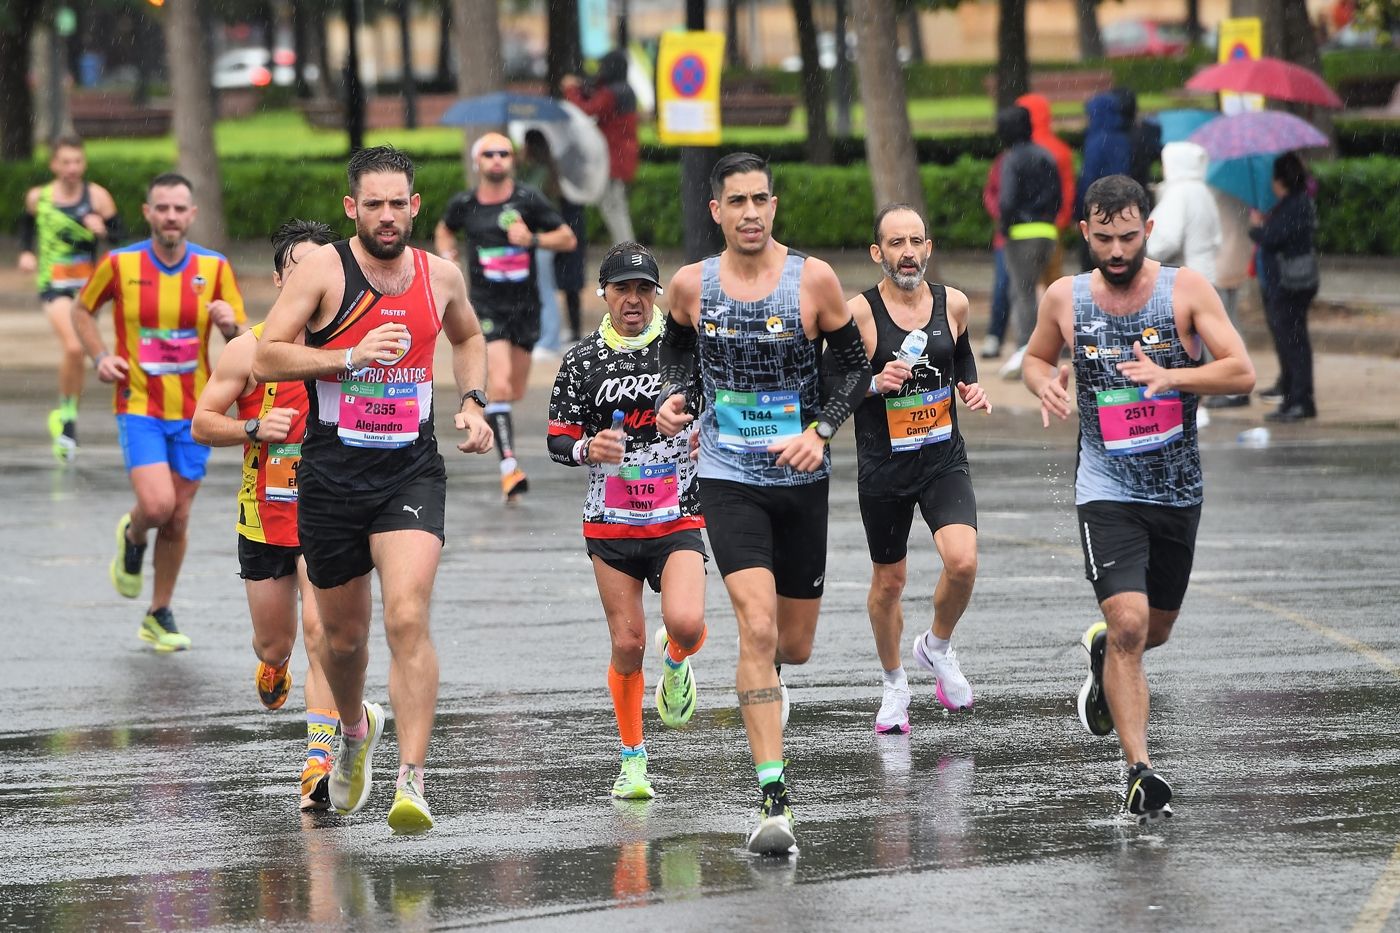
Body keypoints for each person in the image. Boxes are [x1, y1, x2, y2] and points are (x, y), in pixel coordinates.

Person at [253, 145, 495, 835]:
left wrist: (473, 401)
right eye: (375, 204)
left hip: (409, 470)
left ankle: (412, 779)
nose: (388, 216)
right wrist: (346, 356)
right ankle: (357, 729)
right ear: (351, 207)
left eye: (400, 203)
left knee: (407, 615)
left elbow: (469, 334)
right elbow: (269, 352)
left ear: (416, 206)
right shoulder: (324, 269)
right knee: (342, 637)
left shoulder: (439, 275)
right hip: (330, 473)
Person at [655, 152, 872, 854]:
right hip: (727, 474)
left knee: (792, 646)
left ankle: (765, 684)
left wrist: (822, 430)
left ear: (774, 206)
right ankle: (773, 795)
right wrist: (677, 397)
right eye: (736, 201)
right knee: (754, 626)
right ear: (715, 211)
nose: (750, 212)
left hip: (802, 476)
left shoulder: (813, 280)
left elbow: (856, 369)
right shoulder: (690, 285)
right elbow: (677, 356)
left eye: (760, 200)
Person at [1022, 175, 1254, 821]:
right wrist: (1046, 381)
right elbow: (1035, 358)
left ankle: (1105, 659)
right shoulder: (1064, 298)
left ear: (1147, 230)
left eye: (1129, 236)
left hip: (1178, 488)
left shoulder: (1186, 290)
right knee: (1128, 624)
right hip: (1106, 484)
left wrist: (1172, 374)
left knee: (1155, 629)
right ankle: (1139, 770)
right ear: (1086, 234)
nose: (1117, 249)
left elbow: (1243, 369)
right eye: (1104, 238)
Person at [547, 242, 708, 799]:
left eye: (644, 289)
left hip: (678, 512)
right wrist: (590, 448)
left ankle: (679, 657)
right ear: (604, 294)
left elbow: (718, 409)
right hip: (611, 522)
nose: (634, 300)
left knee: (685, 624)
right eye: (623, 289)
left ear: (657, 294)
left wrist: (693, 432)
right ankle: (633, 759)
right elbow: (557, 439)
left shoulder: (683, 348)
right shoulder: (582, 360)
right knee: (628, 642)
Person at [192, 219, 340, 811]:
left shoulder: (346, 349)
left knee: (322, 633)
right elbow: (203, 422)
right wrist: (252, 427)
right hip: (264, 519)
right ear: (279, 278)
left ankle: (318, 760)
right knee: (276, 642)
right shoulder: (248, 349)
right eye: (296, 269)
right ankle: (272, 668)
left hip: (329, 515)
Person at [73, 172, 246, 652]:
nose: (171, 216)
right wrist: (100, 356)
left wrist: (230, 325)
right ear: (148, 212)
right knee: (156, 506)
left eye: (179, 209)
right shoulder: (120, 263)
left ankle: (158, 612)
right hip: (139, 405)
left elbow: (242, 338)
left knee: (177, 518)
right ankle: (132, 534)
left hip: (197, 411)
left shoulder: (214, 268)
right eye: (162, 208)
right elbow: (81, 311)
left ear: (191, 215)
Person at [848, 204, 991, 735]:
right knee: (890, 582)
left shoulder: (952, 303)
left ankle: (937, 646)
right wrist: (870, 384)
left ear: (928, 248)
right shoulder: (857, 315)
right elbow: (827, 388)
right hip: (884, 466)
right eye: (896, 243)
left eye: (916, 241)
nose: (907, 253)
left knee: (963, 562)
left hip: (941, 459)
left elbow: (962, 359)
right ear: (877, 253)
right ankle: (893, 684)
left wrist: (970, 386)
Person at [434, 132, 577, 501]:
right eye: (489, 154)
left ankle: (500, 427)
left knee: (513, 390)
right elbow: (445, 228)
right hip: (484, 306)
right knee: (497, 383)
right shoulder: (465, 204)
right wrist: (447, 254)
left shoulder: (528, 199)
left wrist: (532, 240)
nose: (497, 159)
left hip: (525, 307)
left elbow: (567, 238)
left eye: (504, 153)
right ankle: (509, 468)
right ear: (477, 162)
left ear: (512, 160)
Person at [17, 135, 121, 463]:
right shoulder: (39, 197)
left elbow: (122, 238)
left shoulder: (98, 197)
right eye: (66, 162)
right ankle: (68, 421)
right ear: (54, 165)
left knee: (78, 354)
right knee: (75, 347)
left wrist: (102, 229)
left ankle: (66, 414)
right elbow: (26, 228)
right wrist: (25, 253)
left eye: (77, 162)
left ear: (84, 163)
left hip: (88, 287)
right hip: (54, 283)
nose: (72, 168)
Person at [1249, 152, 1319, 423]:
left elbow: (1274, 237)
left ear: (1281, 180)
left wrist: (1257, 227)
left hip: (1289, 284)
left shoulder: (1296, 205)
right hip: (1285, 283)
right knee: (1289, 341)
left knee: (1293, 343)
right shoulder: (1293, 203)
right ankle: (1291, 396)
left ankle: (1300, 400)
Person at [995, 104, 1062, 381]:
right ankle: (1051, 348)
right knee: (1046, 293)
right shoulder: (1046, 156)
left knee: (1021, 293)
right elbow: (1058, 194)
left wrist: (1006, 223)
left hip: (1021, 234)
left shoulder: (1011, 159)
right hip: (1047, 232)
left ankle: (1028, 350)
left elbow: (1007, 199)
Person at [561, 49, 639, 245]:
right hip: (620, 156)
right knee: (615, 206)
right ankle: (625, 248)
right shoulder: (624, 89)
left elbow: (588, 110)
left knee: (613, 207)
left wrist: (570, 90)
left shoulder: (613, 92)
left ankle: (626, 250)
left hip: (613, 158)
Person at [1016, 93, 1076, 288]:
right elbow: (1067, 188)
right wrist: (1063, 217)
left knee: (1025, 284)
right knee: (1053, 277)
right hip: (1052, 224)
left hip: (1021, 226)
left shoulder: (1017, 151)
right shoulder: (1060, 149)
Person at [517, 128, 565, 357]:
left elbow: (528, 198)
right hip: (542, 238)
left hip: (542, 239)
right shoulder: (544, 169)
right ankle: (548, 336)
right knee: (544, 289)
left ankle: (550, 340)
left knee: (545, 289)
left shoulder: (538, 174)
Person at [1075, 91, 1132, 272]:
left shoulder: (1096, 141)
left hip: (1098, 207)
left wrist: (1079, 211)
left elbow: (1088, 178)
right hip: (1121, 204)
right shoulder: (1122, 138)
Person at [979, 152, 1011, 359]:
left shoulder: (1004, 160)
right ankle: (996, 336)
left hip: (1023, 235)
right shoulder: (1003, 160)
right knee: (1005, 288)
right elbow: (991, 193)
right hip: (1009, 237)